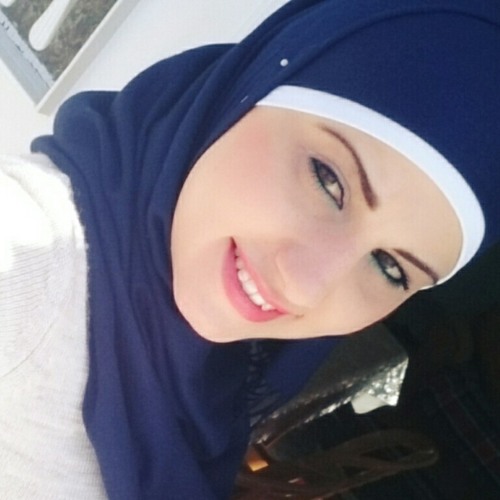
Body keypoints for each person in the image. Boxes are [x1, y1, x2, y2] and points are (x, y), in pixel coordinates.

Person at [1, 0, 499, 498]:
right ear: (249, 90)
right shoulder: (26, 254)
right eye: (328, 180)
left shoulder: (215, 378)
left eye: (389, 267)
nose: (303, 288)